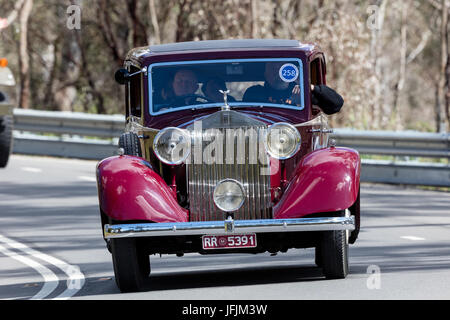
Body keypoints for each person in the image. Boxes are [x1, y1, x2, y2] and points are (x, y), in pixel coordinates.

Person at [243, 62, 344, 115]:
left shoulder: (302, 92)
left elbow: (336, 104)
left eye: (281, 68)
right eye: (273, 68)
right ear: (265, 74)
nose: (277, 72)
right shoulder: (255, 92)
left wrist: (310, 87)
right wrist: (291, 102)